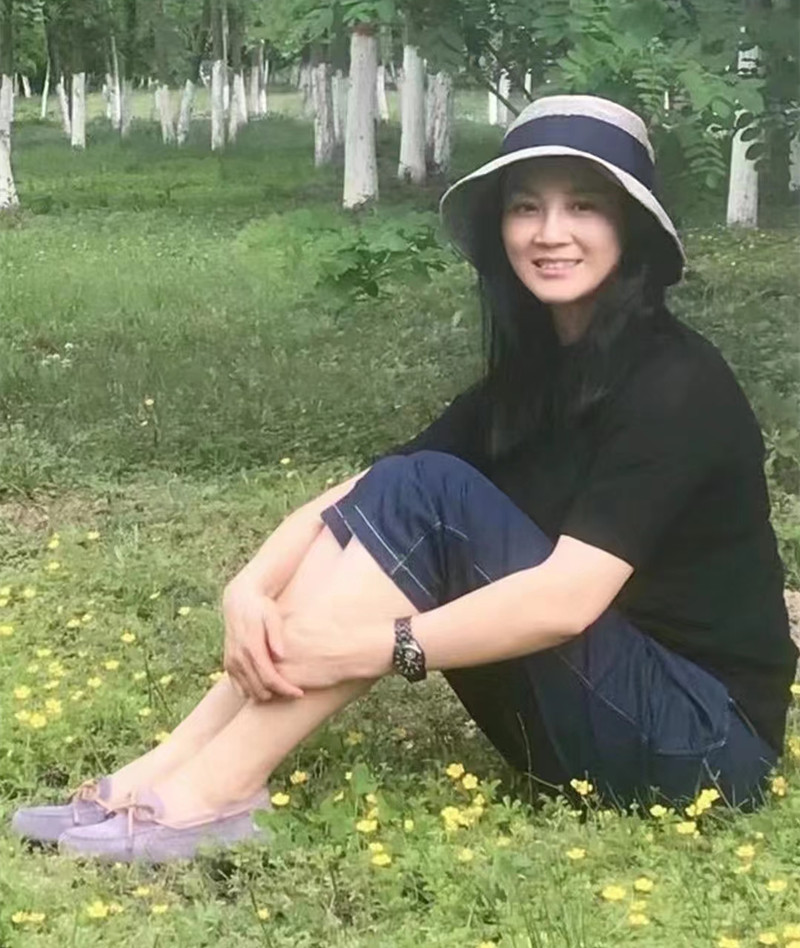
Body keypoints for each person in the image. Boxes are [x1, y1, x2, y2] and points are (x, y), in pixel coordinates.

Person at [11, 95, 798, 864]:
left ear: (630, 228)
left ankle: (211, 796)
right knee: (407, 485)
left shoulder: (676, 385)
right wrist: (247, 588)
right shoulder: (535, 378)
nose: (549, 233)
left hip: (702, 746)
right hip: (600, 711)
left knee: (433, 493)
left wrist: (371, 649)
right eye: (526, 207)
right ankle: (166, 770)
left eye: (583, 207)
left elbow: (566, 601)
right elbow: (365, 494)